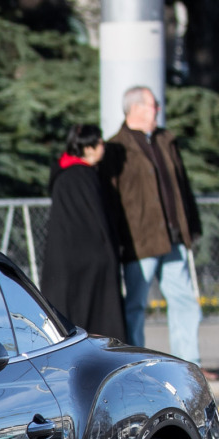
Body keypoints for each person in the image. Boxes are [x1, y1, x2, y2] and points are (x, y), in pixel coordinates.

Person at [101, 85, 205, 365]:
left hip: (172, 237)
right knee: (135, 305)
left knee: (184, 301)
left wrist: (191, 227)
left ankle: (190, 364)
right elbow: (112, 197)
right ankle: (135, 365)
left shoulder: (166, 140)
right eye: (153, 105)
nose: (158, 109)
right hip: (141, 239)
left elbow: (182, 187)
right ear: (135, 108)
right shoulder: (116, 146)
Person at [42, 125, 129, 341]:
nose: (103, 147)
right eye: (99, 142)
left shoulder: (65, 175)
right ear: (87, 148)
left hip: (65, 263)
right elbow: (96, 222)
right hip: (88, 264)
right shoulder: (83, 177)